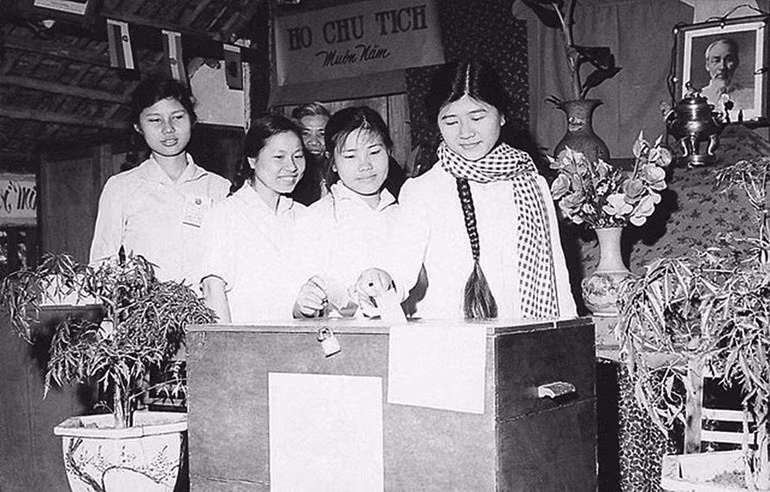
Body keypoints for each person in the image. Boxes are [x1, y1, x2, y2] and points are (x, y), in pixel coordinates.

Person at [398, 59, 577, 320]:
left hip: (523, 337)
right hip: (448, 339)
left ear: (502, 115)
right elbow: (399, 272)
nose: (465, 132)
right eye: (450, 121)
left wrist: (567, 337)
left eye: (477, 117)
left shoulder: (532, 183)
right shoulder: (421, 191)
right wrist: (378, 286)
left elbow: (556, 272)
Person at [89, 75, 231, 285]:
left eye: (177, 117)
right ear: (138, 127)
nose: (168, 129)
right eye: (155, 120)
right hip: (145, 312)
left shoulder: (218, 188)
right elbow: (101, 264)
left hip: (206, 312)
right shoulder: (121, 187)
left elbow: (229, 259)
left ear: (192, 120)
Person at [292, 106, 409, 319]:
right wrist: (304, 305)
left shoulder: (406, 212)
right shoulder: (314, 218)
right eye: (350, 156)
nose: (365, 165)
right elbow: (296, 302)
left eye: (374, 152)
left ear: (389, 152)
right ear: (333, 161)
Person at [200, 113, 307, 323]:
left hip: (301, 342)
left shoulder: (304, 215)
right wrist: (225, 348)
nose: (292, 166)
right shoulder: (224, 215)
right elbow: (213, 291)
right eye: (279, 157)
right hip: (246, 346)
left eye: (298, 156)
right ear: (252, 160)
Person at [699, 37, 753, 120]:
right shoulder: (699, 97)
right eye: (716, 61)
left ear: (736, 63)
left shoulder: (751, 97)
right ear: (707, 65)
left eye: (729, 60)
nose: (722, 67)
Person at [290, 102, 332, 205]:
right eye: (305, 134)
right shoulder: (290, 175)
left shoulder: (339, 171)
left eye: (321, 134)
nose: (313, 142)